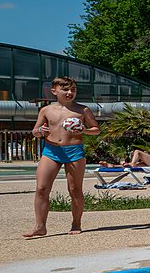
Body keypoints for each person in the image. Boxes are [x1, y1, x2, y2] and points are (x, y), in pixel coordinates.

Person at [23, 76, 101, 238]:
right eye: (65, 89)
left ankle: (76, 223)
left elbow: (96, 129)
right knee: (41, 189)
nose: (69, 92)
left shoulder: (82, 110)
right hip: (51, 151)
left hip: (74, 152)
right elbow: (35, 131)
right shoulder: (46, 110)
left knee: (75, 190)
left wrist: (84, 131)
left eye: (73, 89)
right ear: (54, 91)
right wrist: (40, 132)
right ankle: (40, 226)